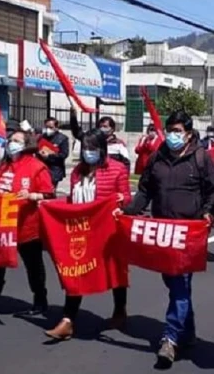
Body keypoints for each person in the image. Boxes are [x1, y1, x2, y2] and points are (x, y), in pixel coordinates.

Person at [123, 111, 214, 368]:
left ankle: (170, 338)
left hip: (188, 234)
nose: (172, 135)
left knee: (179, 284)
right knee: (175, 284)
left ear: (188, 133)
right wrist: (128, 211)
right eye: (169, 130)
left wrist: (208, 213)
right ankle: (187, 330)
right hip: (163, 235)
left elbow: (212, 192)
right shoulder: (157, 158)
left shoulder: (200, 157)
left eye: (177, 130)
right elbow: (145, 191)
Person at [45, 129, 131, 340]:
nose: (88, 152)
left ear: (101, 149)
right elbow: (73, 201)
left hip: (108, 230)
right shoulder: (77, 172)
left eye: (92, 148)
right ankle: (68, 320)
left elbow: (127, 198)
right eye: (84, 148)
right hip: (82, 230)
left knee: (114, 272)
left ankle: (119, 310)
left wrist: (118, 201)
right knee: (76, 270)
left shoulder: (117, 169)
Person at [0, 129, 55, 331]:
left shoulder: (36, 167)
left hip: (27, 228)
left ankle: (40, 300)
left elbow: (49, 194)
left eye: (16, 140)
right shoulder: (2, 166)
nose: (11, 143)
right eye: (10, 139)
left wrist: (32, 196)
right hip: (2, 228)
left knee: (33, 267)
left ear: (26, 144)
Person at [37, 117, 70, 189]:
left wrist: (49, 156)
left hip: (55, 170)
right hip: (42, 167)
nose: (48, 129)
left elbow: (64, 154)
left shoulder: (62, 138)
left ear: (56, 127)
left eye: (50, 127)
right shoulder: (42, 137)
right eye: (46, 127)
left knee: (51, 190)